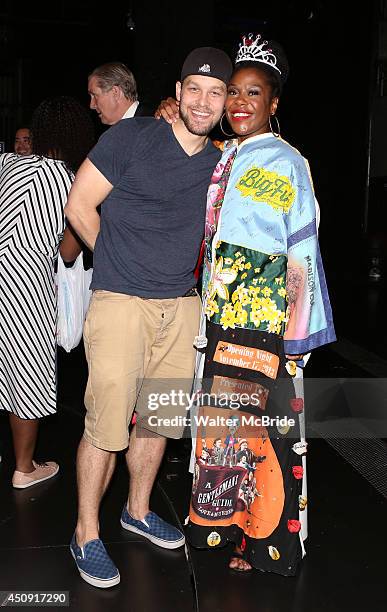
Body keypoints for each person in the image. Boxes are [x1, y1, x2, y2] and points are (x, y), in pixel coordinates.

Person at [64, 46, 232, 588]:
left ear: (225, 102)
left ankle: (136, 510)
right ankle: (86, 532)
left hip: (181, 308)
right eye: (196, 89)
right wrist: (113, 262)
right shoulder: (132, 138)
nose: (204, 101)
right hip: (121, 303)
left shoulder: (222, 161)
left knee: (158, 419)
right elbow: (78, 203)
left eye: (217, 92)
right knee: (107, 423)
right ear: (178, 93)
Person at [183, 33, 336, 576]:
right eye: (234, 93)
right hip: (222, 321)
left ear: (273, 104)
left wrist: (295, 338)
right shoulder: (225, 154)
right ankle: (222, 530)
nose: (241, 102)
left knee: (267, 437)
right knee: (222, 430)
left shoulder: (290, 162)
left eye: (254, 93)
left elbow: (301, 250)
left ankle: (266, 544)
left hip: (267, 327)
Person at [0, 96, 95, 489]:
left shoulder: (6, 164)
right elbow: (70, 251)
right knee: (26, 376)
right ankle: (24, 468)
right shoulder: (72, 181)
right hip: (28, 289)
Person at [88, 61, 153, 126]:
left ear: (115, 92)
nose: (92, 105)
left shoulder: (155, 124)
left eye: (94, 95)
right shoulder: (113, 133)